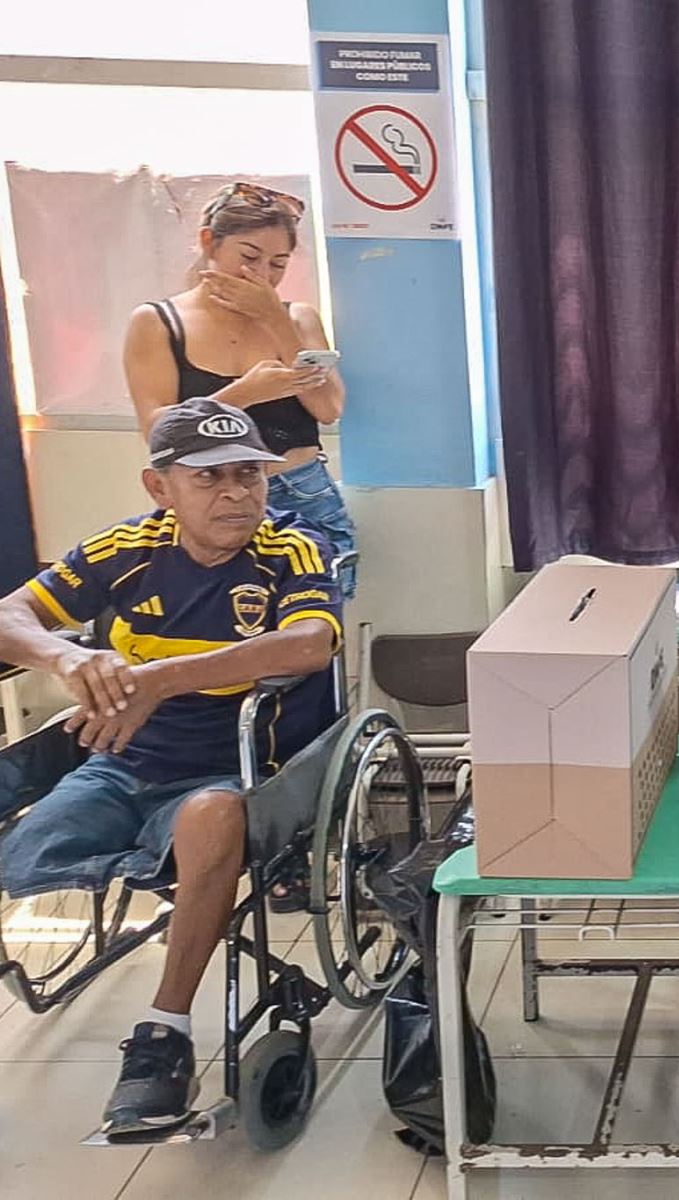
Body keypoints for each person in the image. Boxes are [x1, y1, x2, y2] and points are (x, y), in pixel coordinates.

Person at [0, 398, 343, 1133]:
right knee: (27, 836)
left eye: (250, 475)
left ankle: (164, 1033)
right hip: (120, 763)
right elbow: (9, 615)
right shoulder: (122, 551)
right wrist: (72, 655)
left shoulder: (291, 551)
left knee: (212, 817)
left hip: (244, 766)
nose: (237, 493)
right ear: (161, 488)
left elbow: (309, 644)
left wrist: (155, 681)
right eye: (211, 478)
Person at [122, 181, 356, 595]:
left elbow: (329, 407)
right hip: (210, 497)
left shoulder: (297, 317)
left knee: (312, 630)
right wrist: (243, 394)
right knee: (220, 626)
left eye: (278, 264)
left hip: (301, 487)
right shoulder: (157, 322)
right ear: (209, 242)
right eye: (249, 257)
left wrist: (274, 320)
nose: (262, 276)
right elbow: (158, 431)